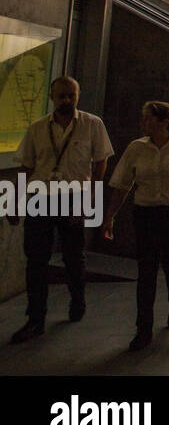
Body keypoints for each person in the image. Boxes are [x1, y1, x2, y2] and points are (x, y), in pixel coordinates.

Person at [9, 77, 113, 344]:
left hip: (73, 195)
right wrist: (16, 201)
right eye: (61, 97)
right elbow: (26, 166)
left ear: (78, 95)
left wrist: (91, 196)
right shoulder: (37, 128)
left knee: (73, 256)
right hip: (40, 196)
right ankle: (35, 319)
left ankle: (77, 299)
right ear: (52, 98)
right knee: (36, 260)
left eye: (71, 96)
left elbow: (100, 162)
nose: (66, 101)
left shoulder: (92, 124)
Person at [103, 101, 169, 351]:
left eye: (148, 119)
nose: (143, 124)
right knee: (146, 270)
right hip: (146, 213)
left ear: (164, 122)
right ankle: (143, 328)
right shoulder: (136, 148)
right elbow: (122, 186)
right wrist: (111, 216)